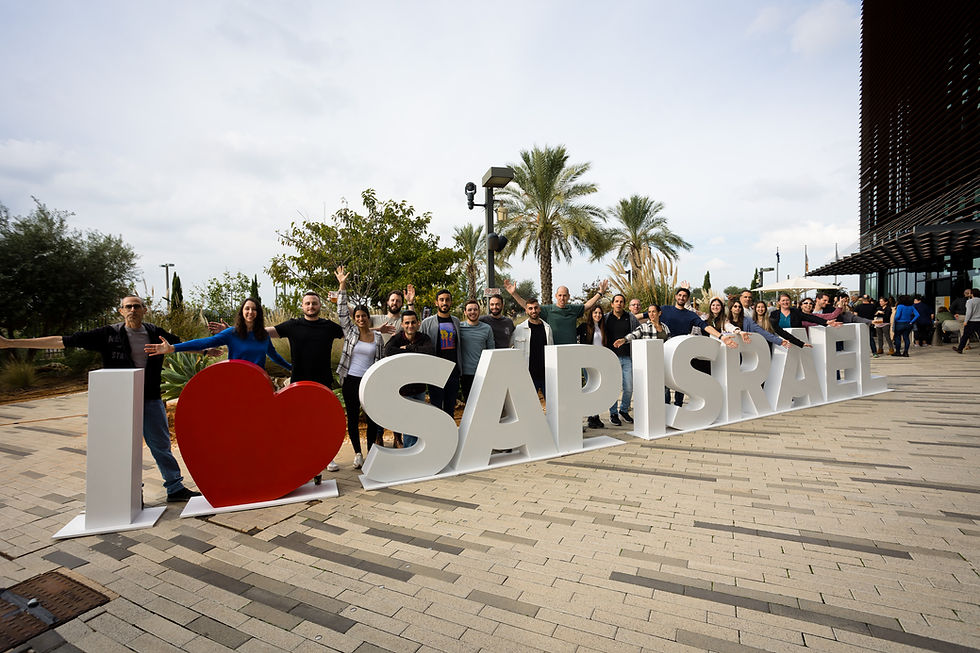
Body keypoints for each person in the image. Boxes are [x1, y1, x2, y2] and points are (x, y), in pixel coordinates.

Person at [0, 295, 200, 502]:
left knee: (161, 446)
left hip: (150, 400)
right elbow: (62, 341)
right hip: (120, 402)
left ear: (144, 310)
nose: (132, 310)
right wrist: (9, 343)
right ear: (121, 311)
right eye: (128, 307)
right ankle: (131, 495)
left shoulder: (155, 333)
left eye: (137, 306)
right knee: (124, 448)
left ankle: (175, 488)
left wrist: (207, 348)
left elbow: (182, 345)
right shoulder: (107, 334)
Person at [145, 297, 291, 370]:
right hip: (236, 381)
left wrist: (292, 368)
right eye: (247, 309)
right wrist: (173, 348)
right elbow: (204, 343)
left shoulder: (263, 335)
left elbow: (275, 357)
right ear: (242, 312)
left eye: (254, 309)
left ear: (258, 313)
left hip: (258, 381)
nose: (250, 312)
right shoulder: (231, 333)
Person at [335, 266, 384, 469]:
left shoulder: (378, 337)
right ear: (354, 319)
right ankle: (357, 453)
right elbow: (341, 312)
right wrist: (342, 285)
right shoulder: (350, 333)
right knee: (353, 418)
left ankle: (372, 450)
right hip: (351, 379)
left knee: (373, 417)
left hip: (369, 381)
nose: (361, 319)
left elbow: (380, 362)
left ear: (368, 317)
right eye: (357, 316)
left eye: (364, 316)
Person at [658, 287, 738, 407]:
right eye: (679, 295)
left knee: (680, 379)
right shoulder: (664, 309)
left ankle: (678, 405)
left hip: (682, 351)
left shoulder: (691, 315)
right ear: (675, 296)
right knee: (665, 381)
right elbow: (647, 314)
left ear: (687, 299)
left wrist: (721, 337)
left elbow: (705, 326)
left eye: (684, 296)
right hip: (665, 349)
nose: (681, 298)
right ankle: (664, 406)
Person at [383, 311, 434, 447]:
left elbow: (429, 351)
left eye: (413, 322)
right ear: (402, 325)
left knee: (417, 422)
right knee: (408, 422)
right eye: (407, 323)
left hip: (419, 387)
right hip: (403, 388)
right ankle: (409, 451)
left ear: (418, 324)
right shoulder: (397, 338)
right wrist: (415, 350)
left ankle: (415, 452)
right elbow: (388, 351)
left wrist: (408, 348)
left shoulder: (424, 338)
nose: (410, 325)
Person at [503, 278, 608, 345]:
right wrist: (514, 294)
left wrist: (600, 293)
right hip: (554, 350)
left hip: (571, 350)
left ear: (568, 297)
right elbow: (528, 306)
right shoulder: (548, 310)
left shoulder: (573, 309)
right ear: (556, 296)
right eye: (560, 295)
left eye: (565, 295)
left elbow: (588, 305)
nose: (562, 298)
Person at [613, 303, 672, 406]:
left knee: (665, 388)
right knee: (651, 388)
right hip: (650, 363)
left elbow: (670, 343)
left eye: (654, 311)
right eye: (649, 312)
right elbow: (634, 335)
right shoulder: (644, 327)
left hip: (663, 362)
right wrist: (623, 340)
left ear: (659, 313)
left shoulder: (665, 327)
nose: (651, 314)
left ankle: (665, 410)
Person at [420, 289, 462, 416]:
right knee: (436, 409)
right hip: (435, 372)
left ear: (451, 302)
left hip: (453, 373)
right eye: (441, 300)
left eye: (447, 300)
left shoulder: (456, 321)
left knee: (450, 409)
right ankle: (436, 435)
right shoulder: (427, 323)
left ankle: (449, 435)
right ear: (436, 302)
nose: (445, 302)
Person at [604, 294, 641, 425]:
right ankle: (613, 413)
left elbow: (638, 332)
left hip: (627, 358)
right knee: (613, 387)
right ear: (612, 304)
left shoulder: (630, 318)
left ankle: (624, 410)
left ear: (624, 304)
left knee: (629, 387)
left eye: (621, 302)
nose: (619, 303)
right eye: (616, 301)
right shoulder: (606, 318)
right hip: (611, 358)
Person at [511, 297, 553, 399]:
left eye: (535, 308)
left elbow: (551, 350)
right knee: (527, 406)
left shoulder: (547, 328)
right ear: (526, 310)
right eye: (530, 308)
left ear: (539, 309)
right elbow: (509, 347)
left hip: (545, 375)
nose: (533, 311)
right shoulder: (519, 329)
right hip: (528, 375)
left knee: (552, 405)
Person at [577, 304, 608, 428]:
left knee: (599, 389)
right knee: (590, 389)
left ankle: (596, 416)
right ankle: (590, 417)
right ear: (591, 314)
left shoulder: (604, 328)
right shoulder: (584, 327)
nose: (597, 315)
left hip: (601, 362)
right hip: (588, 362)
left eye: (600, 313)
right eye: (595, 313)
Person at [458, 299, 495, 400]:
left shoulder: (487, 328)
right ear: (465, 312)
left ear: (479, 311)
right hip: (465, 374)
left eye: (475, 309)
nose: (472, 312)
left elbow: (491, 351)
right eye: (469, 310)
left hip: (482, 373)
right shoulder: (459, 328)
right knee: (469, 404)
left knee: (483, 403)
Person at [771, 292, 838, 347]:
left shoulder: (796, 312)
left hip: (796, 341)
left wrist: (826, 322)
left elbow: (810, 317)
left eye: (787, 300)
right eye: (783, 300)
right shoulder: (774, 314)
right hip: (780, 343)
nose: (785, 302)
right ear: (779, 302)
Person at [953, 289, 980, 354]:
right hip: (979, 321)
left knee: (965, 336)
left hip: (971, 321)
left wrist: (966, 321)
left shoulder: (969, 301)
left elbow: (969, 312)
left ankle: (960, 349)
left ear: (972, 294)